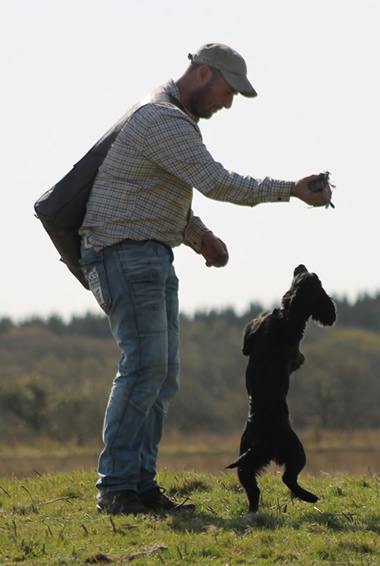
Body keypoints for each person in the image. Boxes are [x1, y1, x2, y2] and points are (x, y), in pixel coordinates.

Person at [78, 43, 332, 516]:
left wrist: (199, 237)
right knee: (145, 367)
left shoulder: (168, 116)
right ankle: (115, 488)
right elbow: (216, 182)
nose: (229, 102)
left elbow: (156, 192)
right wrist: (290, 191)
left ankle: (140, 487)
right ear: (205, 73)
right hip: (124, 253)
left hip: (147, 253)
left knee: (162, 374)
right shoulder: (164, 119)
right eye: (228, 90)